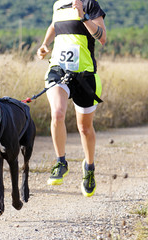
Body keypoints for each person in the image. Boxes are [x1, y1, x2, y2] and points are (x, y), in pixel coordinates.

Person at [36, 0, 107, 197]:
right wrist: (44, 44)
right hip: (58, 70)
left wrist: (83, 15)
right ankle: (61, 161)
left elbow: (102, 38)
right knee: (57, 113)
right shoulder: (58, 4)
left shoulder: (90, 4)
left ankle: (89, 168)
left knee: (84, 128)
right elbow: (53, 25)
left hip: (85, 75)